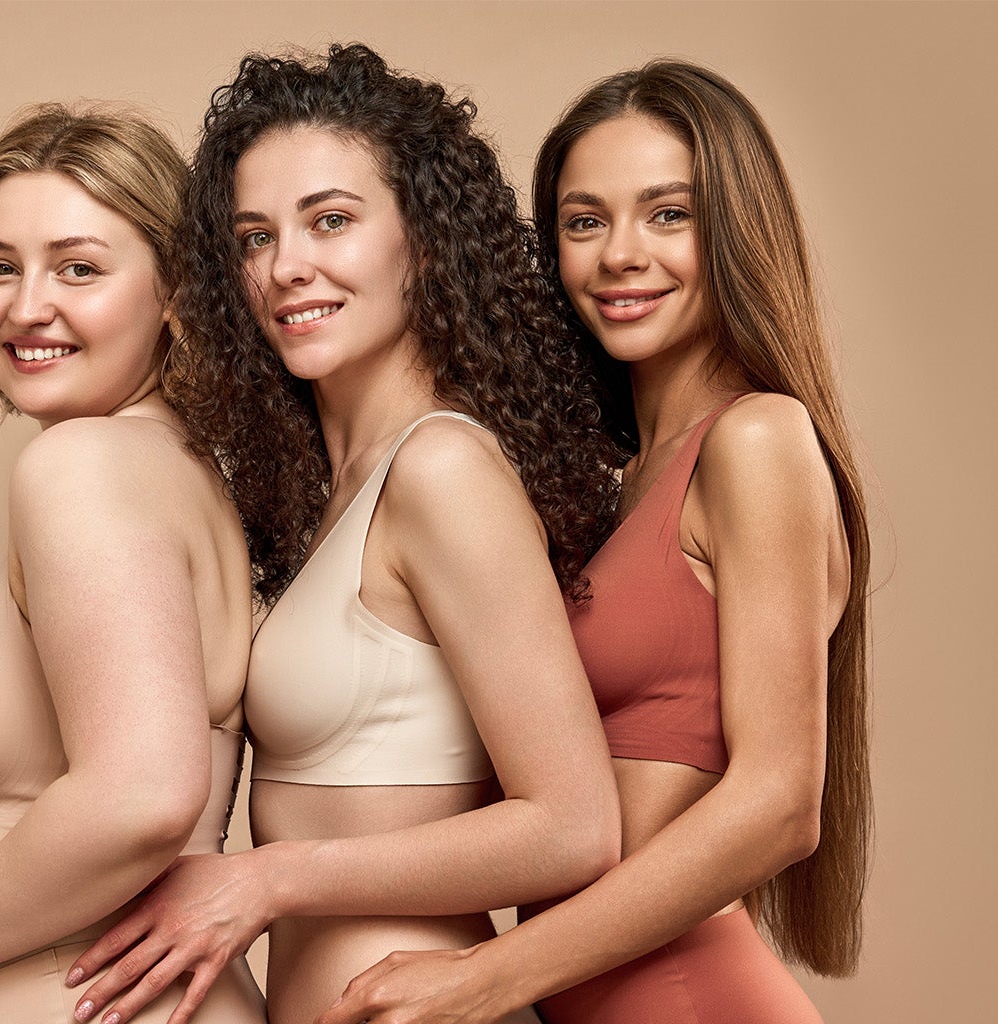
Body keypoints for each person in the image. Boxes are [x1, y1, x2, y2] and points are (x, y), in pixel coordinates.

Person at [61, 45, 621, 1024]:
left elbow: (573, 827)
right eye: (252, 236)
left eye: (329, 220)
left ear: (423, 237)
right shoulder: (331, 492)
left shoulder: (441, 470)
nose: (285, 267)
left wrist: (267, 879)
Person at [316, 60, 873, 1024]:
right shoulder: (609, 485)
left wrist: (488, 979)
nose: (620, 254)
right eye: (584, 221)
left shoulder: (756, 440)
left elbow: (782, 801)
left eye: (669, 214)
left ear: (738, 231)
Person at [0, 105, 266, 1024]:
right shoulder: (181, 470)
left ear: (175, 293)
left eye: (78, 267)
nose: (27, 306)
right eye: (0, 267)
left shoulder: (83, 467)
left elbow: (145, 794)